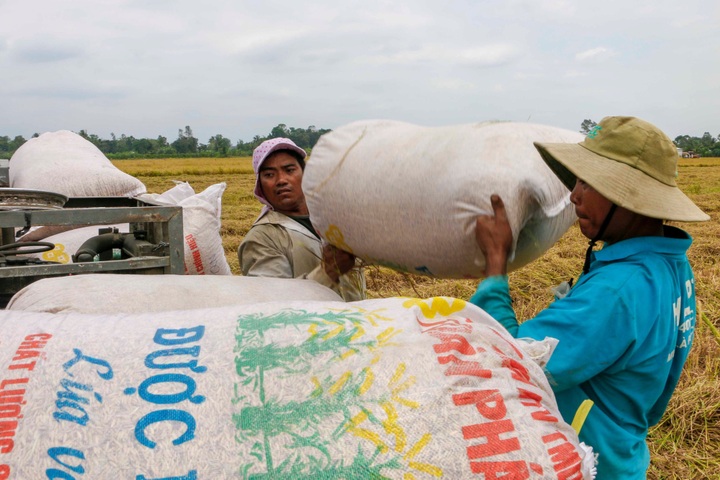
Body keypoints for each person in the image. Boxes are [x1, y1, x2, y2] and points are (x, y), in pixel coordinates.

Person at [471, 116, 709, 479]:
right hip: (621, 454)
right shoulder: (669, 264)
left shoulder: (617, 290)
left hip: (586, 463)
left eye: (588, 182)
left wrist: (495, 266)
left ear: (628, 196)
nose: (574, 195)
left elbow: (511, 363)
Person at [238, 137, 366, 301]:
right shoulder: (262, 239)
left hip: (359, 322)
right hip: (315, 327)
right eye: (269, 174)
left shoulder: (332, 219)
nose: (281, 180)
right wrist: (327, 272)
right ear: (260, 185)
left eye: (289, 170)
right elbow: (273, 306)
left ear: (305, 175)